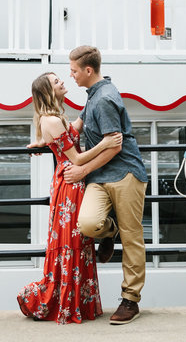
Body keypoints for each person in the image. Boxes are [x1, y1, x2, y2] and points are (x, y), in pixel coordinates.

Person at [18, 71, 122, 324]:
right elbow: (75, 158)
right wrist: (106, 144)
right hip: (69, 184)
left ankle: (77, 304)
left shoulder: (56, 118)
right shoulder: (51, 120)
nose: (62, 81)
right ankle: (65, 303)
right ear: (48, 91)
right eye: (56, 82)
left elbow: (77, 125)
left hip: (73, 181)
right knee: (72, 240)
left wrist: (40, 144)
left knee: (79, 240)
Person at [62, 45, 148, 326]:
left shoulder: (104, 100)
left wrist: (82, 169)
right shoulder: (94, 95)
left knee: (132, 237)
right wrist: (46, 142)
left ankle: (130, 300)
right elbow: (74, 128)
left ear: (88, 70)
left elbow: (114, 146)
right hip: (99, 177)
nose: (71, 75)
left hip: (124, 173)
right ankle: (110, 231)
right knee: (87, 223)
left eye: (74, 70)